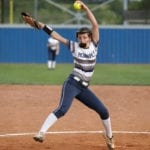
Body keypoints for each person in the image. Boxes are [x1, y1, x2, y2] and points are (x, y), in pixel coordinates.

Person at [25, 1, 115, 149]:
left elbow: (95, 25)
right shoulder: (73, 46)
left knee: (104, 111)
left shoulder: (94, 45)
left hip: (84, 88)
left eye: (84, 37)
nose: (81, 39)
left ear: (90, 38)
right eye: (79, 37)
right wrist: (39, 24)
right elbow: (55, 35)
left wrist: (86, 8)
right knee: (62, 109)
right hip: (73, 83)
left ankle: (110, 137)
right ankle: (41, 133)